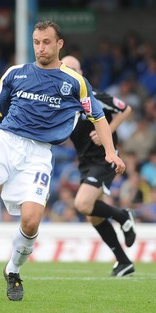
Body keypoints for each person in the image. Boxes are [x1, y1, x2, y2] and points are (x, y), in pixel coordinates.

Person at [0, 21, 125, 302]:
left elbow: (98, 117)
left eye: (47, 42)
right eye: (37, 42)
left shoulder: (74, 82)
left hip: (39, 155)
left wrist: (110, 152)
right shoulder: (16, 73)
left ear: (59, 44)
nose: (41, 47)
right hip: (6, 142)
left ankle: (12, 271)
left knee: (31, 221)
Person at [62, 55, 136, 277]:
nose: (70, 74)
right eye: (66, 70)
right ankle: (124, 262)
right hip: (85, 162)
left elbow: (126, 109)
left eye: (74, 70)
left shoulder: (93, 96)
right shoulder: (64, 102)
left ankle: (123, 216)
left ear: (81, 73)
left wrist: (108, 131)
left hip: (105, 158)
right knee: (94, 216)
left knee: (83, 203)